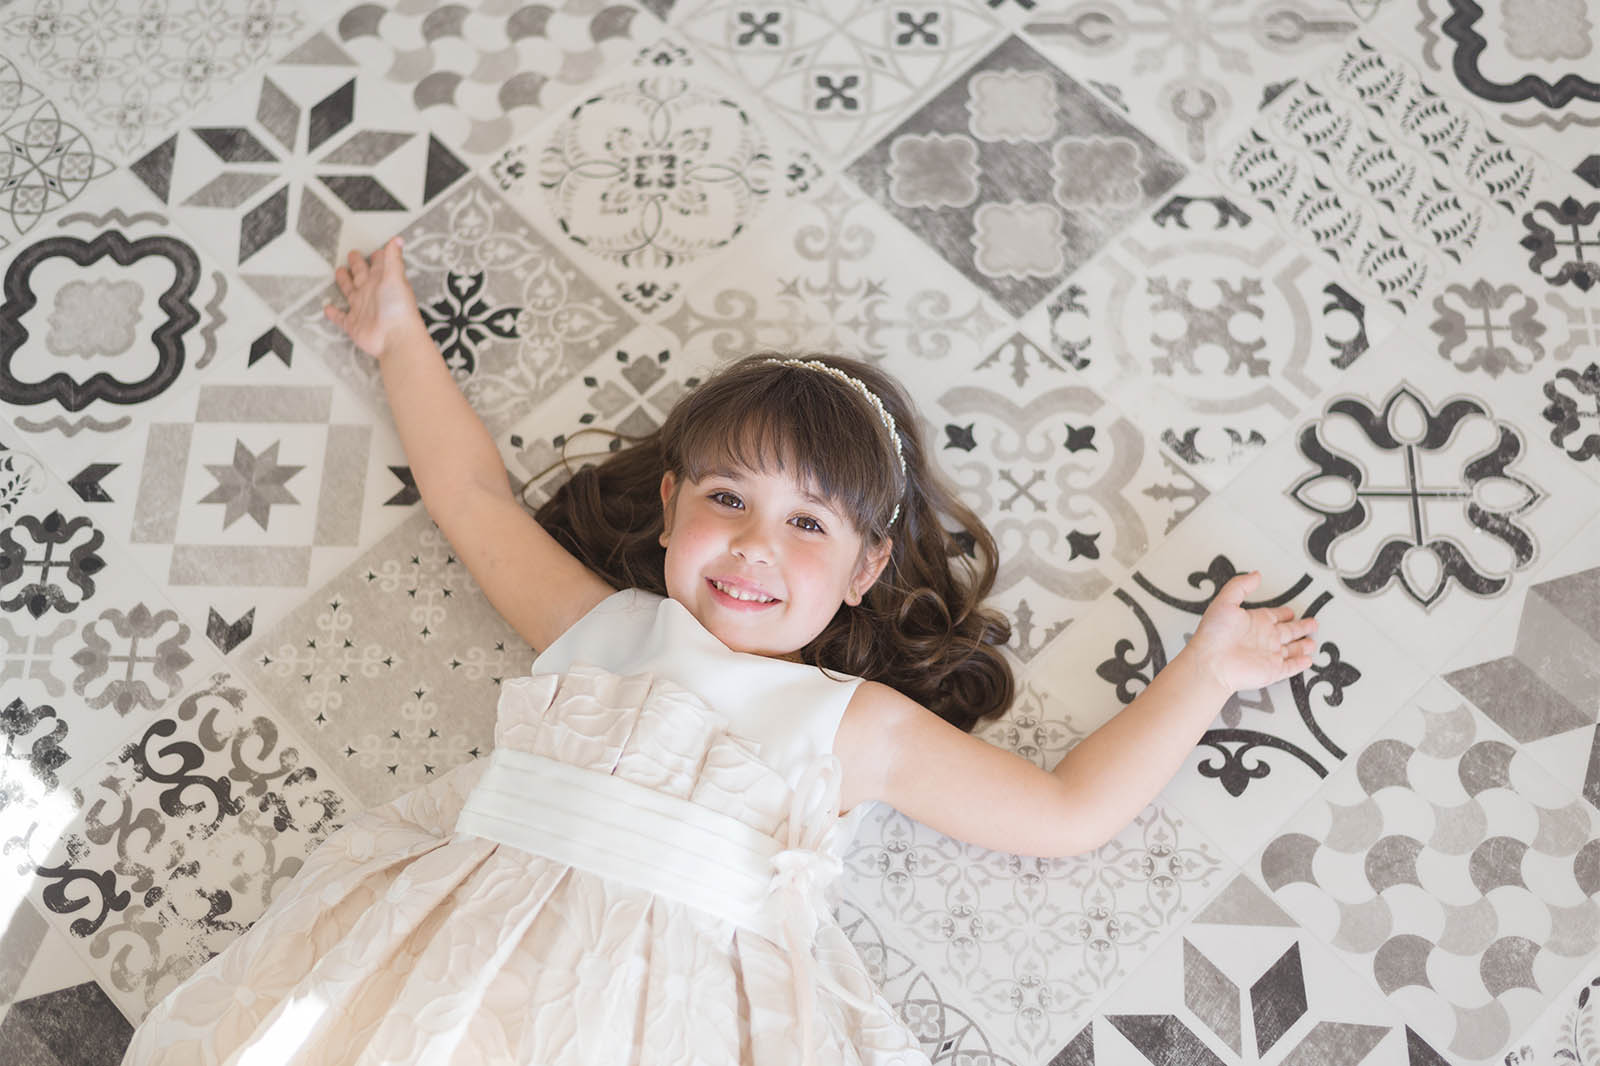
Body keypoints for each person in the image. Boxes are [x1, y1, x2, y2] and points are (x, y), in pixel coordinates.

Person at [121, 238, 1318, 1064]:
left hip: (664, 1013)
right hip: (458, 965)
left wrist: (1202, 674)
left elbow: (1063, 813)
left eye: (807, 525)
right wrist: (398, 341)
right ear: (669, 506)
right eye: (728, 499)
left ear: (862, 571)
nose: (753, 545)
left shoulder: (852, 725)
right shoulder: (602, 627)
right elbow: (474, 500)